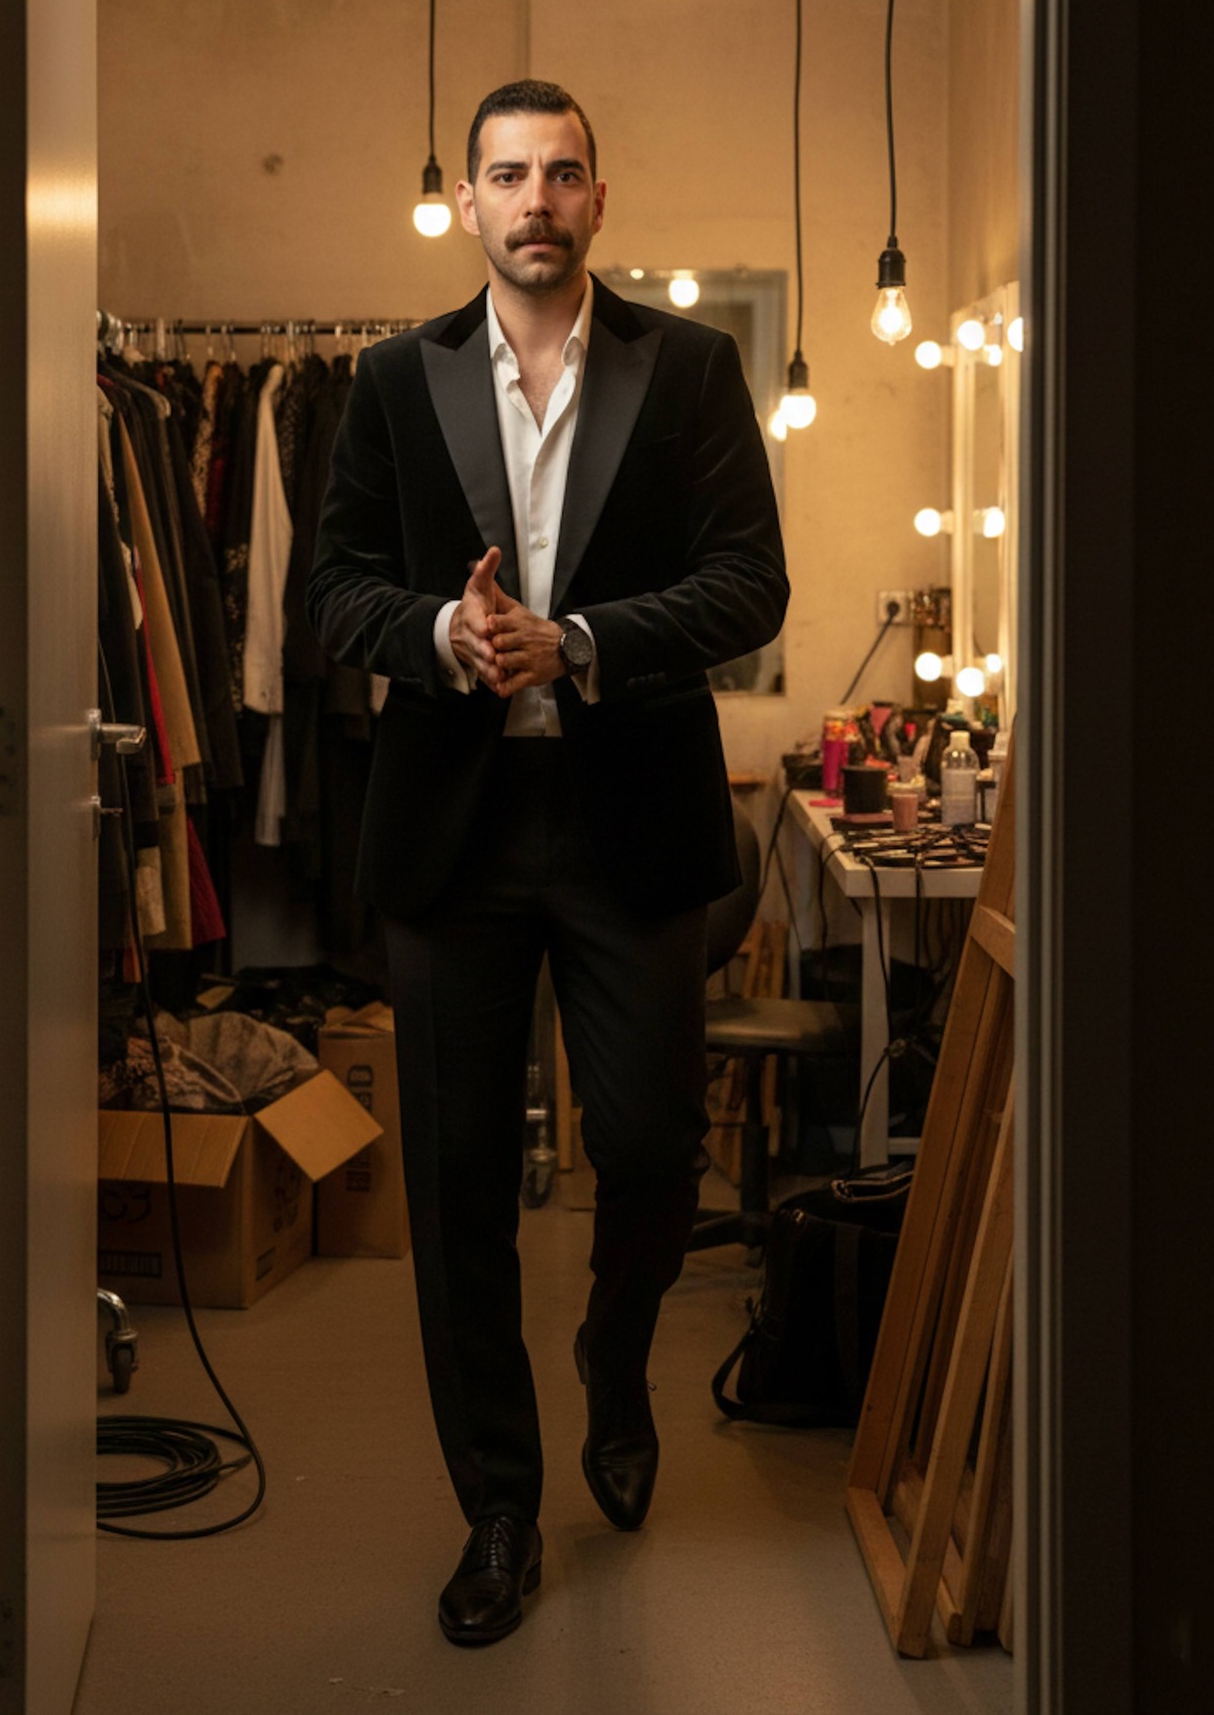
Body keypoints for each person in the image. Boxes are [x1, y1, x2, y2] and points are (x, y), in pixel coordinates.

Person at [307, 79, 789, 1646]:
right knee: (456, 1196)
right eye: (508, 175)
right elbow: (336, 598)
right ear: (466, 199)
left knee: (651, 1150)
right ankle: (501, 1509)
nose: (537, 200)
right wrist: (448, 636)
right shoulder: (393, 379)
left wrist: (575, 642)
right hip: (451, 833)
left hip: (629, 823)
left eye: (563, 173)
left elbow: (750, 587)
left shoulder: (695, 366)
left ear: (600, 198)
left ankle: (614, 1354)